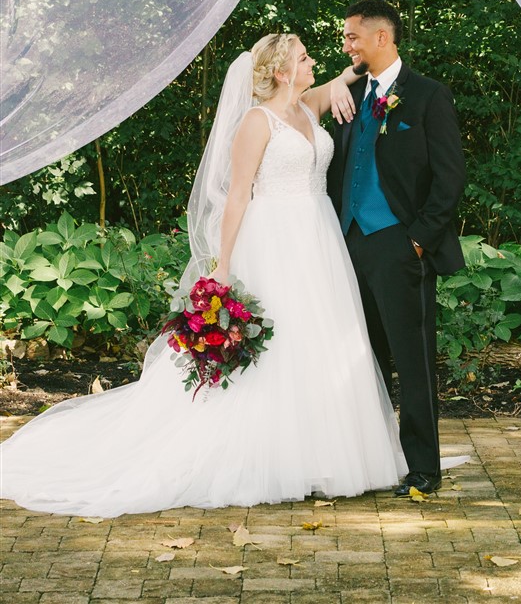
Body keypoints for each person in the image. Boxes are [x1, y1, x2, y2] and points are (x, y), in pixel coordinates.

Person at [0, 33, 407, 517]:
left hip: (319, 238)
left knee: (323, 339)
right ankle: (273, 457)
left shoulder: (307, 107)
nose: (312, 60)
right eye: (303, 57)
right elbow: (236, 196)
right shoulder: (257, 122)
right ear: (281, 72)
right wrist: (224, 264)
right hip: (275, 239)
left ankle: (325, 454)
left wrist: (347, 73)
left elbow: (349, 76)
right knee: (281, 345)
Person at [327, 0, 466, 496]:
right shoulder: (347, 95)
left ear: (381, 37)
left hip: (399, 245)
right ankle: (374, 461)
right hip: (347, 244)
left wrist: (418, 240)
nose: (346, 46)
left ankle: (423, 466)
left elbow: (450, 178)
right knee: (361, 359)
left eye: (352, 37)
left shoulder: (428, 96)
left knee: (412, 359)